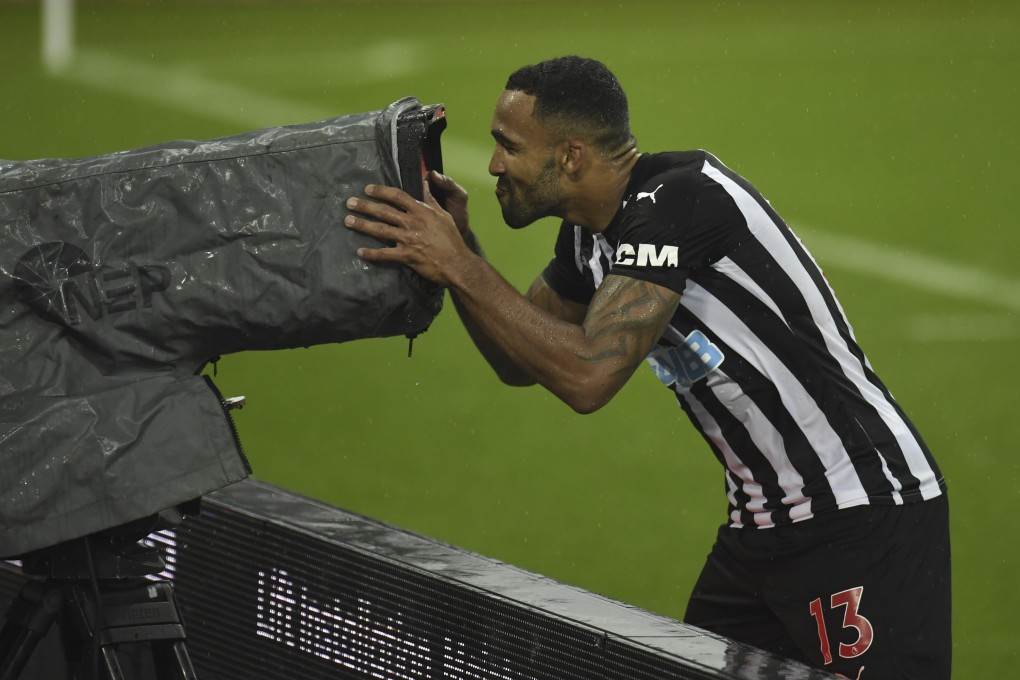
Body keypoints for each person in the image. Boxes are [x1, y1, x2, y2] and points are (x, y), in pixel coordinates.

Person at [343, 56, 951, 678]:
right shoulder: (588, 236)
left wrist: (460, 267)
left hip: (864, 514)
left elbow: (588, 376)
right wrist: (461, 242)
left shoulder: (678, 200)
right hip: (760, 528)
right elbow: (520, 359)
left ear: (572, 156)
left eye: (508, 146)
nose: (494, 164)